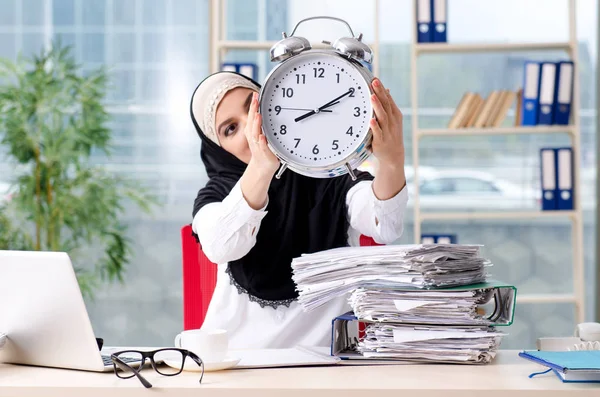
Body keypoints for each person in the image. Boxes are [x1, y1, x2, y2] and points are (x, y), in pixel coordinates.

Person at [190, 71, 408, 349]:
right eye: (230, 129)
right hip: (238, 361)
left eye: (252, 107)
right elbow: (220, 246)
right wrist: (261, 168)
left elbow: (386, 226)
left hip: (327, 363)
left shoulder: (329, 172)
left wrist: (392, 160)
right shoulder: (217, 195)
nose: (250, 129)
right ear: (220, 150)